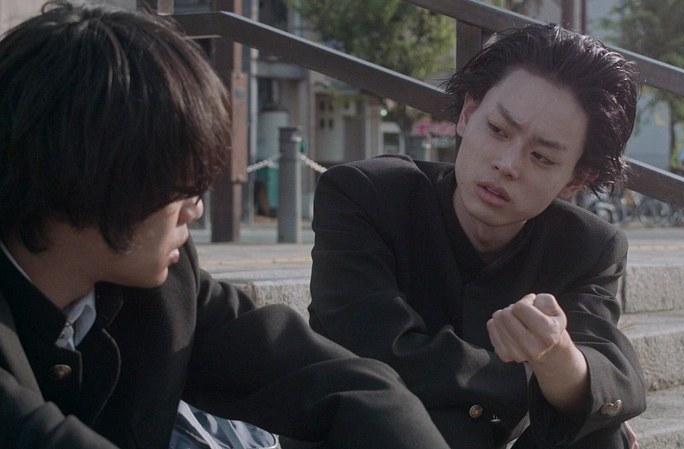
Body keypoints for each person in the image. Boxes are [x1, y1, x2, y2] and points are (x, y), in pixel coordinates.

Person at [0, 2, 453, 448]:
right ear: (92, 177)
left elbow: (348, 387)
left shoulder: (165, 286)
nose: (195, 209)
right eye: (183, 187)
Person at [299, 24, 647, 448]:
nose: (507, 164)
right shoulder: (365, 195)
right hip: (364, 432)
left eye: (541, 156)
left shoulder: (587, 247)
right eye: (497, 129)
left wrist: (558, 358)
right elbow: (373, 352)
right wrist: (532, 378)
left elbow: (609, 375)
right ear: (468, 113)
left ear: (576, 179)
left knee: (601, 435)